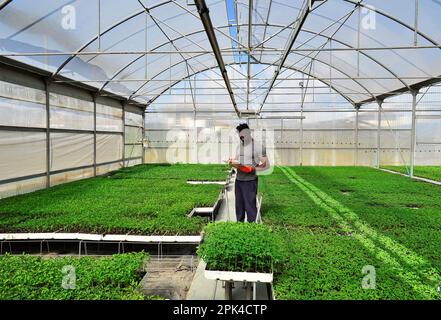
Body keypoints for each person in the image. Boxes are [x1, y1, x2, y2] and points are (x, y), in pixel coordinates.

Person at [228, 123, 269, 222]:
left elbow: (266, 166)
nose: (242, 139)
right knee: (239, 206)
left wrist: (252, 169)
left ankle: (252, 228)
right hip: (239, 180)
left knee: (250, 206)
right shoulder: (239, 146)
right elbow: (238, 159)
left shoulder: (259, 147)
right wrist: (232, 161)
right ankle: (240, 225)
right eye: (240, 136)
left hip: (250, 181)